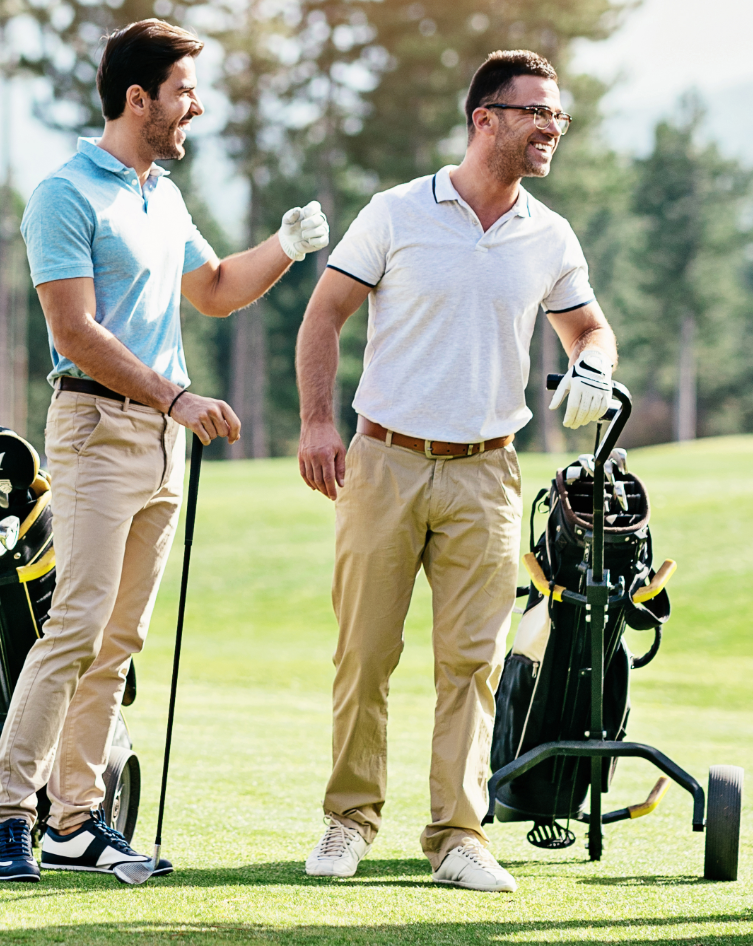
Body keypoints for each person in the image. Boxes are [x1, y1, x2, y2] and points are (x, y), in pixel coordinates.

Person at [0, 18, 332, 884]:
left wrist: (286, 248)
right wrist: (174, 394)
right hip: (99, 428)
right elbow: (74, 329)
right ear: (139, 100)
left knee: (120, 640)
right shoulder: (65, 195)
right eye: (183, 92)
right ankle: (9, 819)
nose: (194, 107)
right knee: (76, 625)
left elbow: (211, 291)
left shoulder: (158, 194)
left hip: (163, 441)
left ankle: (75, 822)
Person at [293, 49, 619, 893]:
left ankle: (457, 836)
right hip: (385, 459)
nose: (553, 128)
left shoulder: (548, 233)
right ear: (487, 119)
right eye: (537, 113)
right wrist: (318, 422)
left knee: (471, 663)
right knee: (365, 653)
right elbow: (324, 313)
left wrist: (592, 363)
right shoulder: (399, 213)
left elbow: (589, 327)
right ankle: (348, 822)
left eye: (561, 117)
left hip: (487, 472)